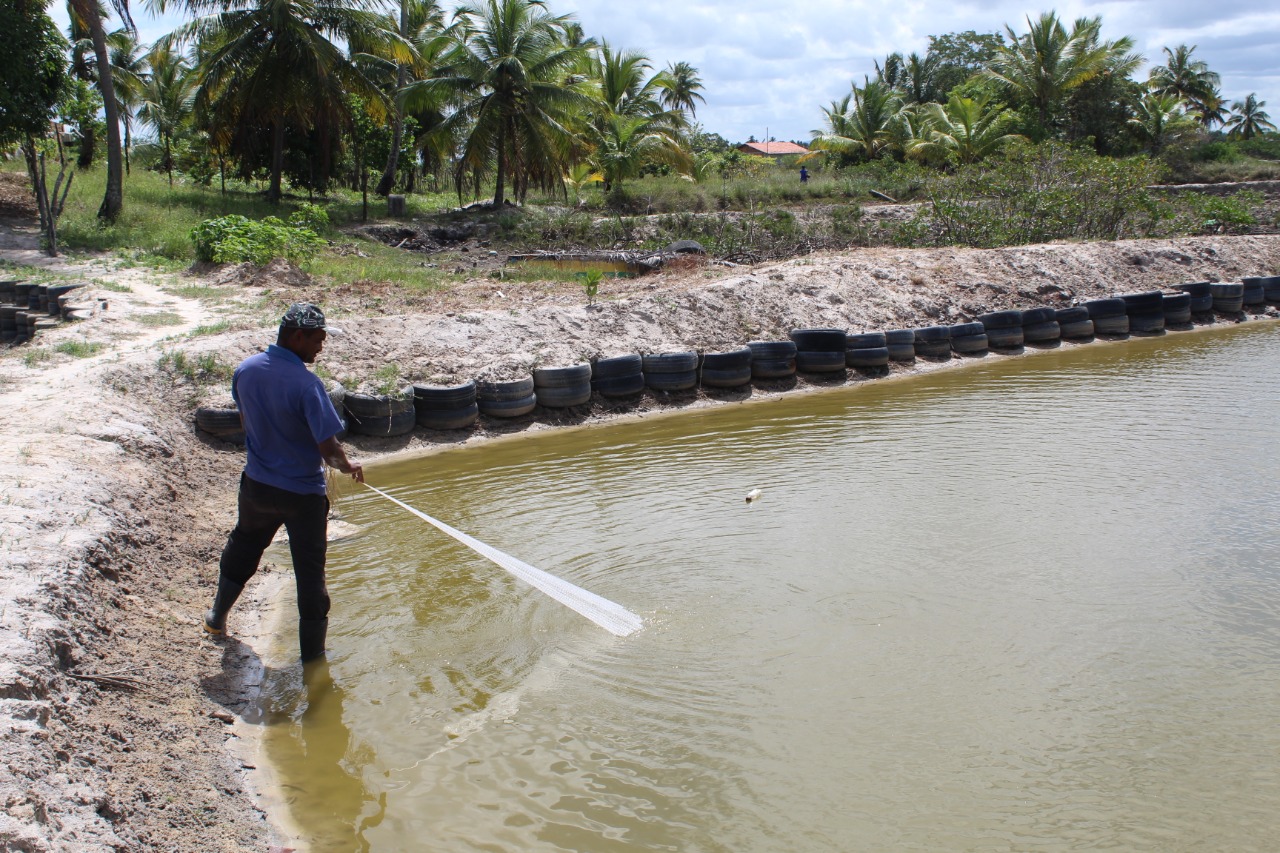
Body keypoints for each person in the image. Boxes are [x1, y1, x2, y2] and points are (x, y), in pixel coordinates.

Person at [204, 302, 364, 662]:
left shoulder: (245, 370)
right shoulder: (307, 385)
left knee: (245, 544)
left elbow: (247, 424)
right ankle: (314, 662)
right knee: (310, 572)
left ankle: (217, 617)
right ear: (297, 336)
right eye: (318, 339)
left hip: (258, 486)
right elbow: (328, 450)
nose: (321, 347)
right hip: (301, 495)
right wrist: (347, 466)